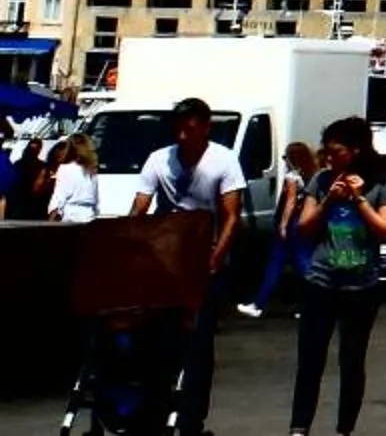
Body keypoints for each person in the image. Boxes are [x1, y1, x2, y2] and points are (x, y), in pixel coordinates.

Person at [128, 95, 245, 435]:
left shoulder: (223, 161)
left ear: (205, 129)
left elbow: (231, 216)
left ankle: (193, 415)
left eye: (190, 130)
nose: (183, 137)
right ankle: (154, 406)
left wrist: (216, 257)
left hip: (203, 251)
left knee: (198, 340)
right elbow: (140, 206)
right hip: (166, 253)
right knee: (156, 336)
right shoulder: (159, 159)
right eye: (178, 131)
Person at [284, 117, 386, 436]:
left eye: (336, 151)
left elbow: (385, 229)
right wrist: (329, 200)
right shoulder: (320, 181)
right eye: (327, 151)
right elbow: (303, 228)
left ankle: (345, 428)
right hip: (321, 281)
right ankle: (299, 427)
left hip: (361, 286)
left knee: (351, 361)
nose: (329, 157)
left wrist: (359, 199)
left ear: (355, 150)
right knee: (310, 359)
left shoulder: (381, 183)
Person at [238, 139, 318, 318]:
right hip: (305, 220)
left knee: (277, 264)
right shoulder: (312, 175)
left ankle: (259, 304)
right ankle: (311, 305)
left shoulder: (292, 178)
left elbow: (289, 202)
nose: (284, 160)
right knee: (304, 263)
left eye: (285, 157)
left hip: (292, 224)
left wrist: (282, 225)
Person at [50, 133, 100, 223]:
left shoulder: (65, 168)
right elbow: (95, 197)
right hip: (89, 214)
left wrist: (52, 216)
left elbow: (59, 197)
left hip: (71, 214)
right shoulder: (91, 169)